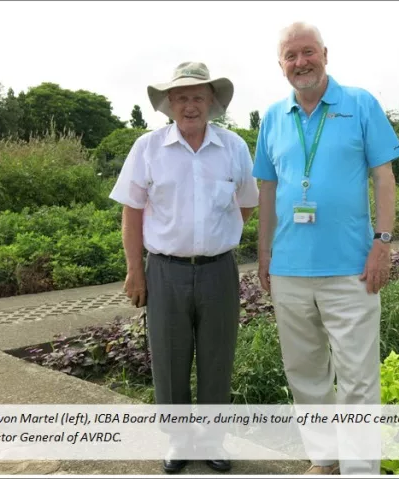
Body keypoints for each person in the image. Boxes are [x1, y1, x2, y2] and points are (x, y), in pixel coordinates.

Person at [252, 22, 399, 475]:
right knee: (305, 373)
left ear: (324, 53)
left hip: (352, 269)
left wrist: (383, 243)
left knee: (358, 378)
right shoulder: (273, 117)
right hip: (289, 271)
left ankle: (360, 470)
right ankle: (324, 459)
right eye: (290, 56)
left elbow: (384, 178)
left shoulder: (360, 104)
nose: (301, 63)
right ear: (280, 65)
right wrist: (263, 255)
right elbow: (267, 189)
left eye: (307, 52)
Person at [109, 61, 259, 474]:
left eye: (197, 97)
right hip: (165, 271)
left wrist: (215, 234)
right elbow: (132, 213)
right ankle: (178, 440)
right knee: (170, 358)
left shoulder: (234, 148)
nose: (189, 105)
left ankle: (212, 440)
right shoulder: (148, 147)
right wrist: (135, 270)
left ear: (212, 102)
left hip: (218, 271)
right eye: (181, 97)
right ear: (169, 104)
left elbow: (246, 202)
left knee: (217, 357)